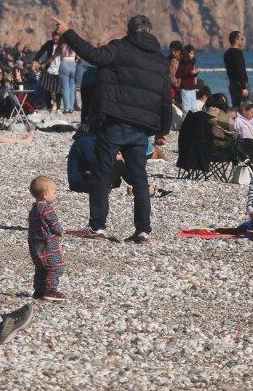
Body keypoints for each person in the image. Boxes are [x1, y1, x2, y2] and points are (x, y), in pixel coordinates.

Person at [54, 13, 171, 244]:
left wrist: (68, 32)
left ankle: (98, 227)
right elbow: (165, 97)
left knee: (101, 174)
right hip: (142, 127)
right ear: (149, 32)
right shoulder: (159, 59)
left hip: (115, 121)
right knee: (139, 178)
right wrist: (162, 130)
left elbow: (92, 55)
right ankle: (143, 231)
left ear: (130, 31)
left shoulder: (119, 48)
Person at [28, 176, 65, 301]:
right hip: (47, 244)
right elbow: (54, 225)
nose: (55, 195)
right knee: (55, 266)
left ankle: (39, 290)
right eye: (54, 193)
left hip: (35, 245)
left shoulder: (33, 209)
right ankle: (50, 289)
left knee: (40, 267)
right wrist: (60, 232)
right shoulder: (47, 209)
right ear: (45, 194)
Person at [223, 30, 249, 105]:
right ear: (236, 40)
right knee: (247, 106)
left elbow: (229, 71)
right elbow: (240, 69)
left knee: (235, 106)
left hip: (232, 83)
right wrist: (244, 86)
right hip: (240, 83)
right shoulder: (238, 53)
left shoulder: (226, 53)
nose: (243, 41)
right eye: (242, 39)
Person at [176, 45, 200, 114]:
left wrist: (196, 72)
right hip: (185, 89)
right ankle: (184, 124)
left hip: (192, 89)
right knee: (186, 110)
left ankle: (192, 124)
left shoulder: (192, 63)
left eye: (193, 53)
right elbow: (178, 74)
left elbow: (192, 75)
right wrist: (190, 73)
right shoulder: (182, 63)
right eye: (191, 53)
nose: (193, 55)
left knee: (194, 110)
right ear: (187, 53)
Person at [56, 38, 78, 114]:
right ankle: (72, 108)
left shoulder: (62, 45)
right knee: (72, 88)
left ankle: (67, 108)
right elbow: (78, 57)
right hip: (73, 64)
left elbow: (56, 53)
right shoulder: (75, 45)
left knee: (65, 88)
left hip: (64, 63)